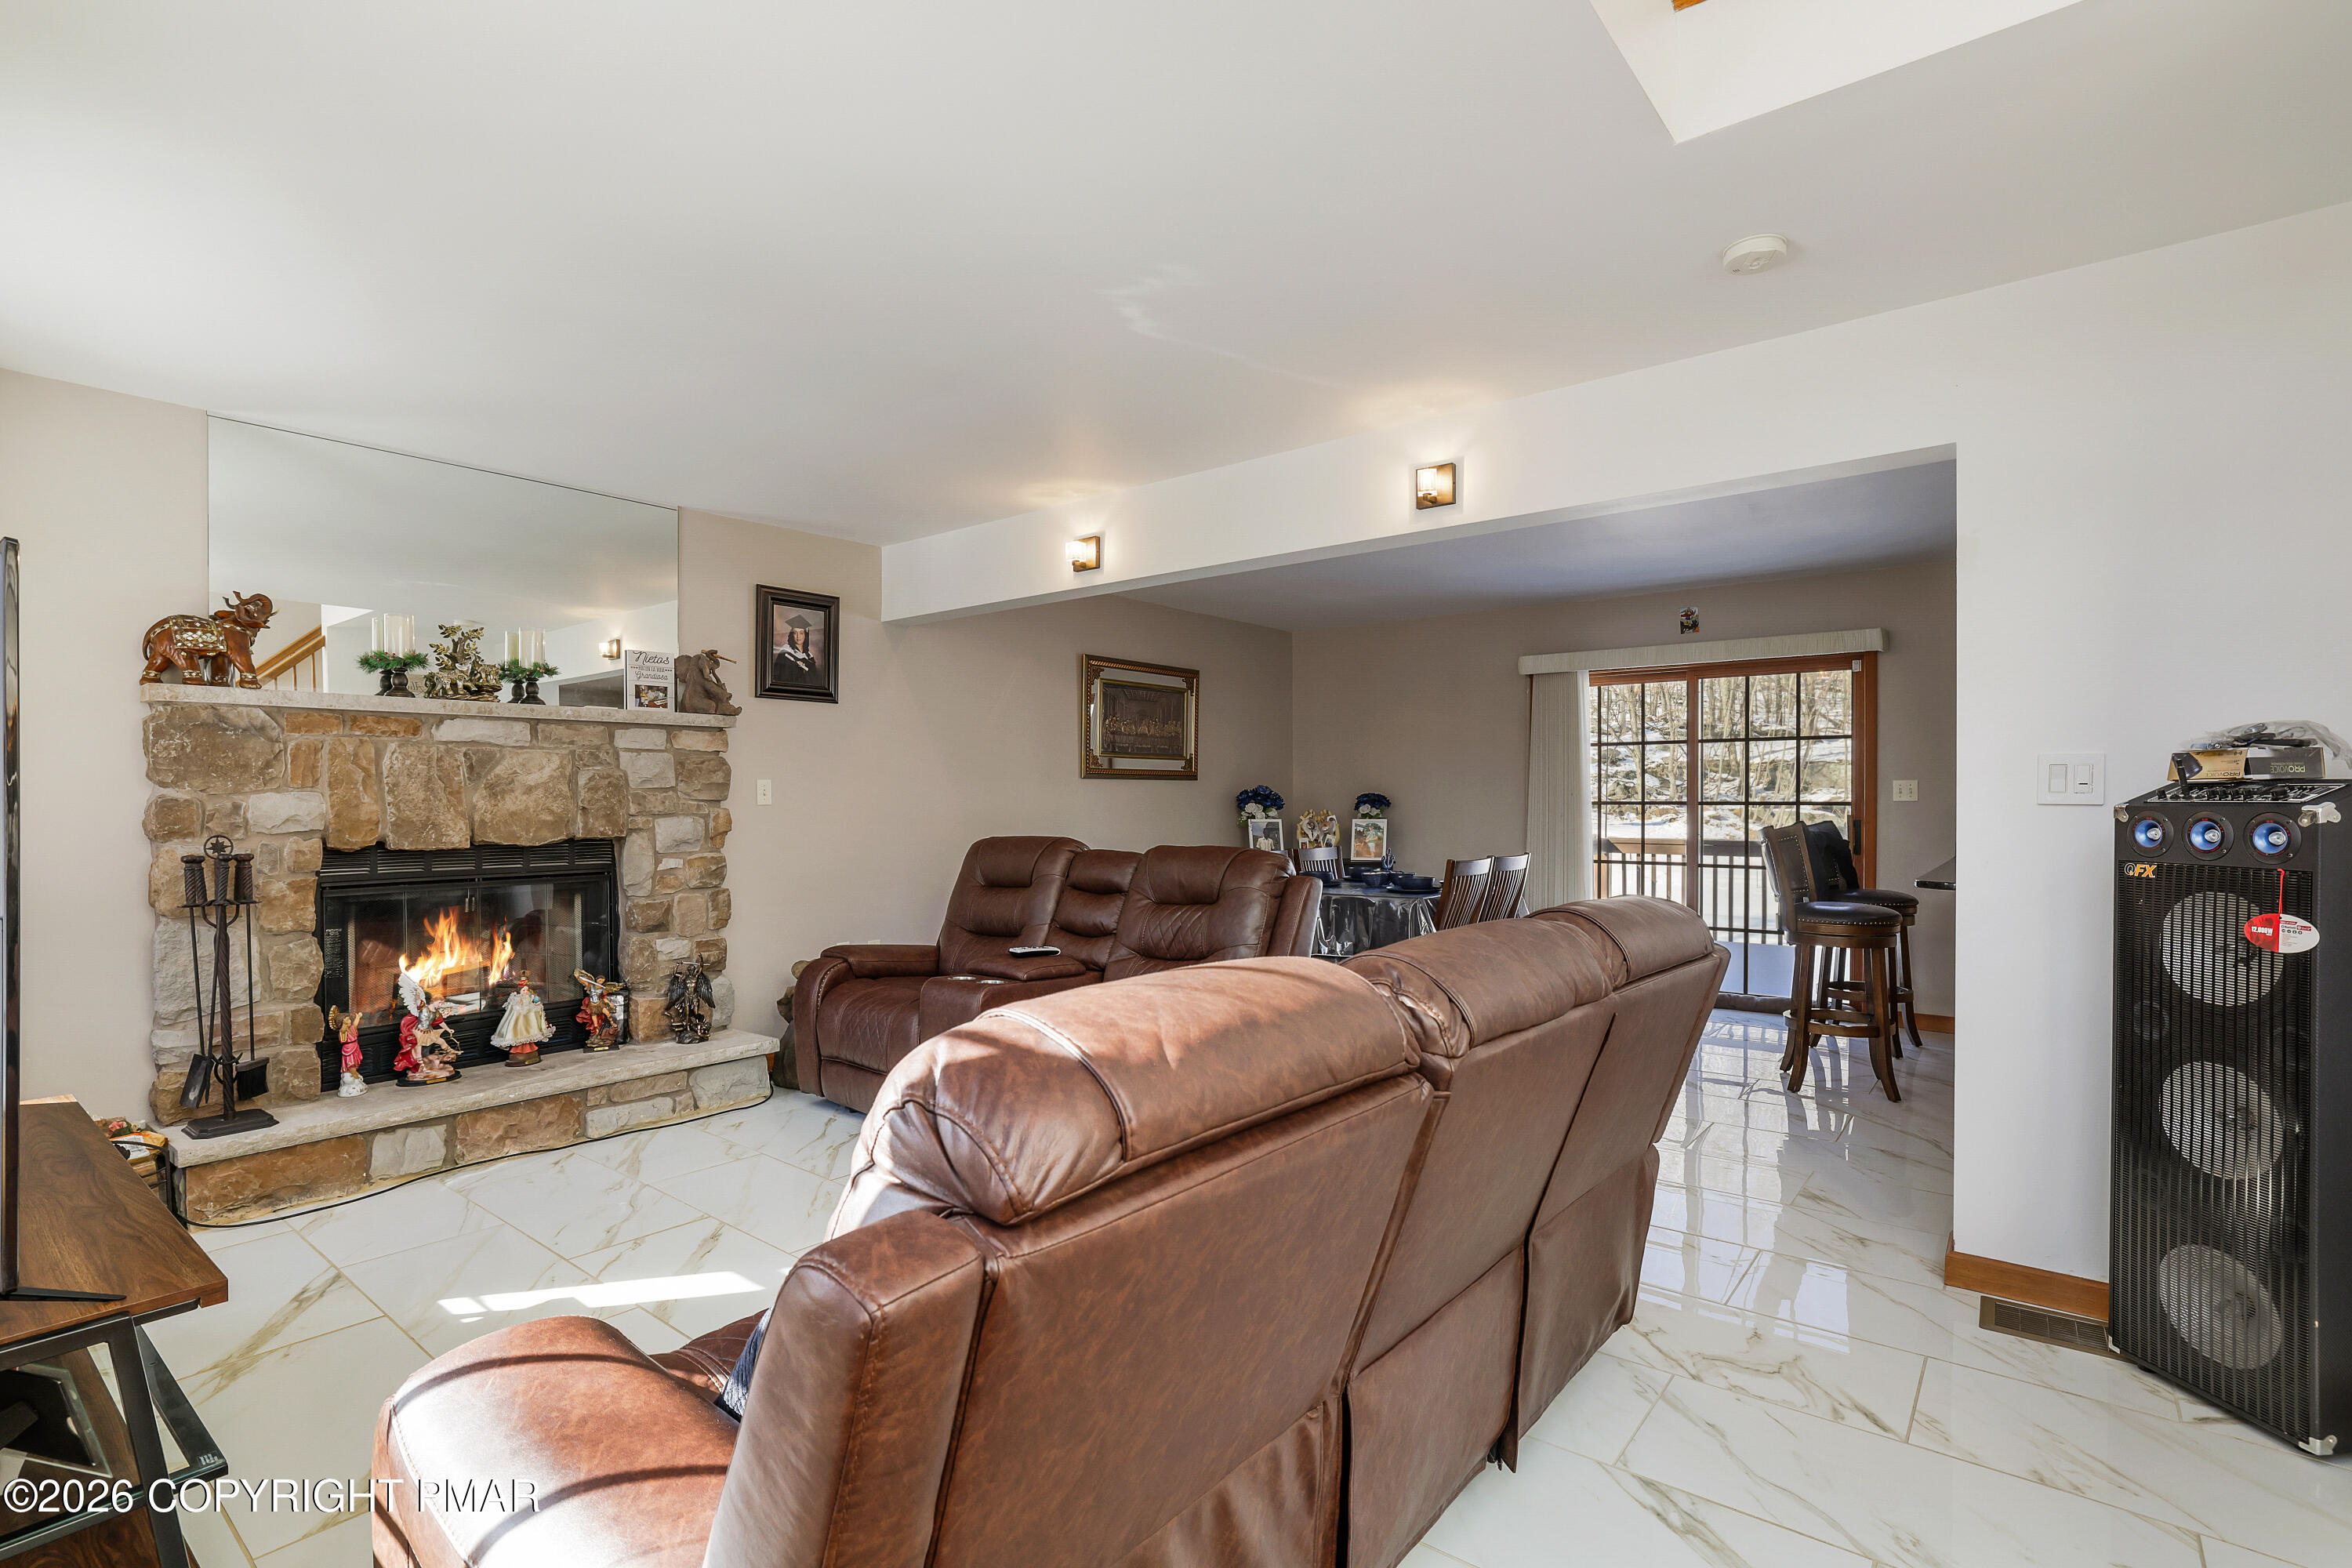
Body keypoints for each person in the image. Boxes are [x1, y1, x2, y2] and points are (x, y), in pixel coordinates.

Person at [771, 611, 818, 687]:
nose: (798, 636)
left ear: (805, 636)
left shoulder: (809, 656)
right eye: (795, 633)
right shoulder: (786, 651)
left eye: (801, 633)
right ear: (792, 634)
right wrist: (795, 667)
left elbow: (815, 679)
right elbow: (779, 676)